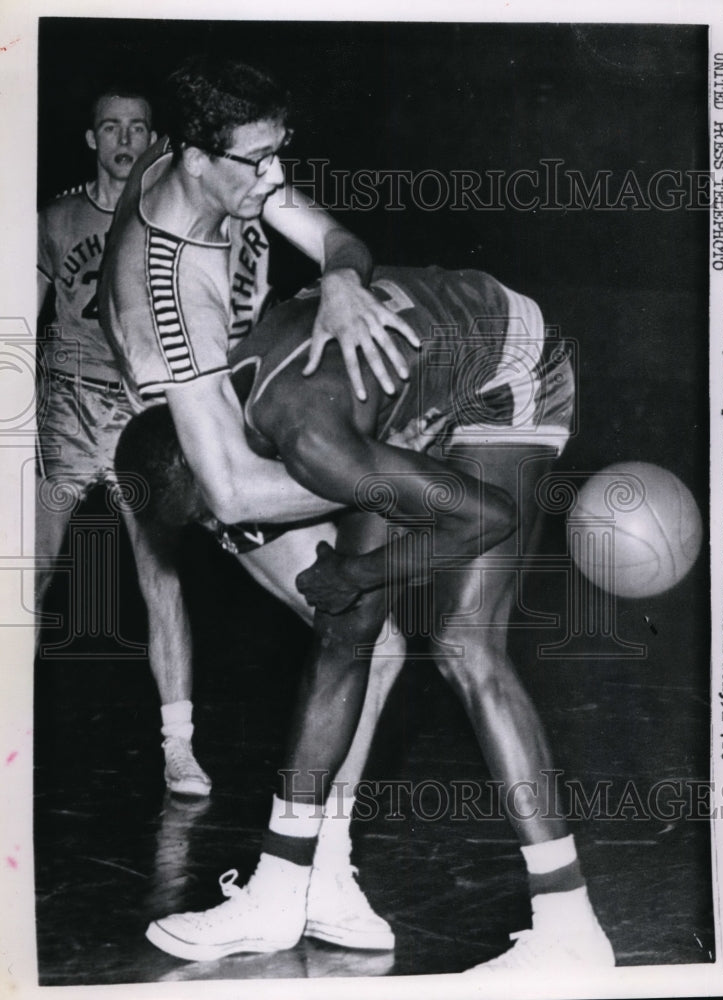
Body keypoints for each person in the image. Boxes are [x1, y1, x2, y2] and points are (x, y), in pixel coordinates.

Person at [116, 264, 615, 972]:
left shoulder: (309, 436)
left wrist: (355, 570)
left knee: (461, 644)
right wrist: (349, 581)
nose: (235, 529)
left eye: (220, 512)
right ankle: (285, 889)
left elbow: (487, 518)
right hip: (393, 393)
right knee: (344, 629)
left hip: (503, 366)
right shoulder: (232, 412)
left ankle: (570, 927)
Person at [99, 56, 423, 951]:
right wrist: (401, 483)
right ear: (196, 160)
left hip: (243, 398)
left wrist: (345, 280)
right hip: (196, 450)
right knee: (368, 634)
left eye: (281, 154)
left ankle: (321, 870)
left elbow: (333, 240)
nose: (275, 178)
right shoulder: (165, 290)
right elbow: (232, 483)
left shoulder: (233, 172)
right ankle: (293, 877)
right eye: (258, 162)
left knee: (374, 643)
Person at [36, 87, 211, 797]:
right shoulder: (55, 217)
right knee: (30, 571)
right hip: (65, 405)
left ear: (154, 141)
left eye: (138, 127)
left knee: (160, 579)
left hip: (139, 410)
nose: (124, 138)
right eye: (110, 125)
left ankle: (179, 747)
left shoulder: (170, 223)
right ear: (90, 139)